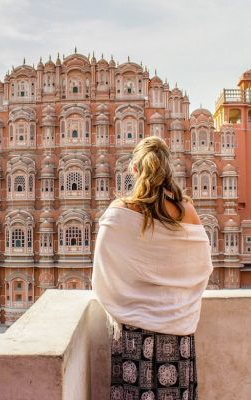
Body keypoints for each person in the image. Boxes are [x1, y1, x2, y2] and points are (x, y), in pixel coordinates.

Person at [92, 136, 213, 400]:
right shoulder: (187, 211)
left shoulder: (120, 211)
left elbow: (103, 271)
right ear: (168, 169)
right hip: (179, 331)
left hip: (135, 334)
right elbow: (203, 266)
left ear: (134, 170)